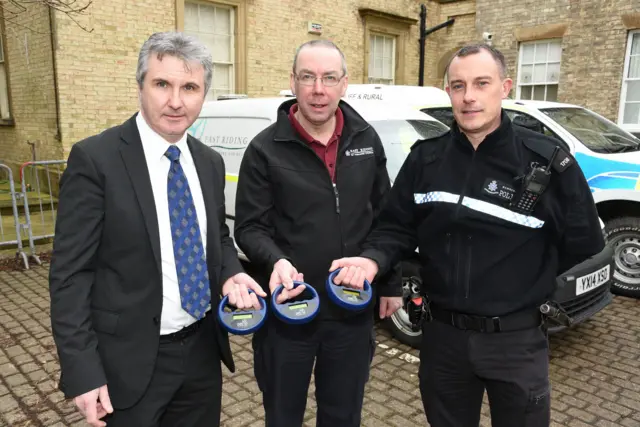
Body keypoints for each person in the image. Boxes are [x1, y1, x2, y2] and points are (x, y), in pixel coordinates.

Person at [329, 43, 605, 427]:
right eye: (458, 86)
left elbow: (585, 242)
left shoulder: (546, 161)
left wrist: (523, 281)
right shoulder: (426, 158)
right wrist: (372, 259)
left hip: (516, 341)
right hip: (443, 340)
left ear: (505, 87)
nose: (469, 96)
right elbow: (395, 227)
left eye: (481, 83)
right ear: (448, 92)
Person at [49, 31, 266, 427]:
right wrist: (83, 371)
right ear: (140, 86)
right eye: (162, 84)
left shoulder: (209, 162)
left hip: (202, 353)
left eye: (190, 87)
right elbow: (69, 276)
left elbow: (214, 238)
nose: (176, 101)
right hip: (128, 363)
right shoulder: (95, 160)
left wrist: (232, 274)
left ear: (204, 94)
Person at [233, 39, 403, 427]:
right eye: (307, 77)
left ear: (345, 84)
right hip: (288, 310)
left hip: (351, 310)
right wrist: (275, 260)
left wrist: (390, 282)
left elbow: (386, 219)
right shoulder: (264, 150)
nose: (318, 89)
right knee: (283, 416)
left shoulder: (366, 140)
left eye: (329, 78)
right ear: (292, 82)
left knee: (343, 416)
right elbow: (249, 226)